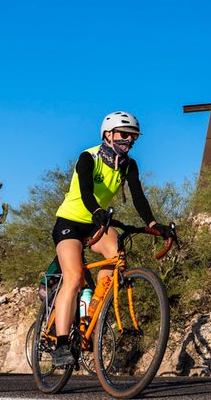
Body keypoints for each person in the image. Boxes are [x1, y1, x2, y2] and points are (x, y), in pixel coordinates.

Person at [49, 111, 173, 365]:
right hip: (71, 223)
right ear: (108, 134)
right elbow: (85, 190)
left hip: (99, 221)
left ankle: (92, 312)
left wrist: (152, 224)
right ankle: (61, 345)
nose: (129, 139)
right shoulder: (88, 158)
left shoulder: (128, 165)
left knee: (117, 258)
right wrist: (96, 211)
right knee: (73, 278)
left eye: (133, 136)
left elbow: (138, 195)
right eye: (124, 134)